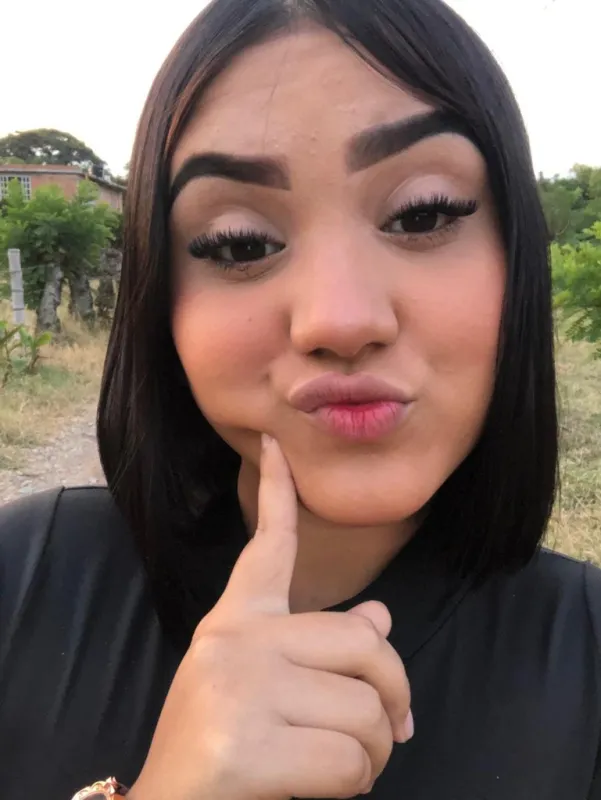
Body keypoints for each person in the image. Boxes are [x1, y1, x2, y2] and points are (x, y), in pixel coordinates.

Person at [1, 0, 600, 797]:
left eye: (422, 213)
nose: (338, 319)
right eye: (240, 243)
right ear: (160, 299)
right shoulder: (22, 579)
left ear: (516, 253)